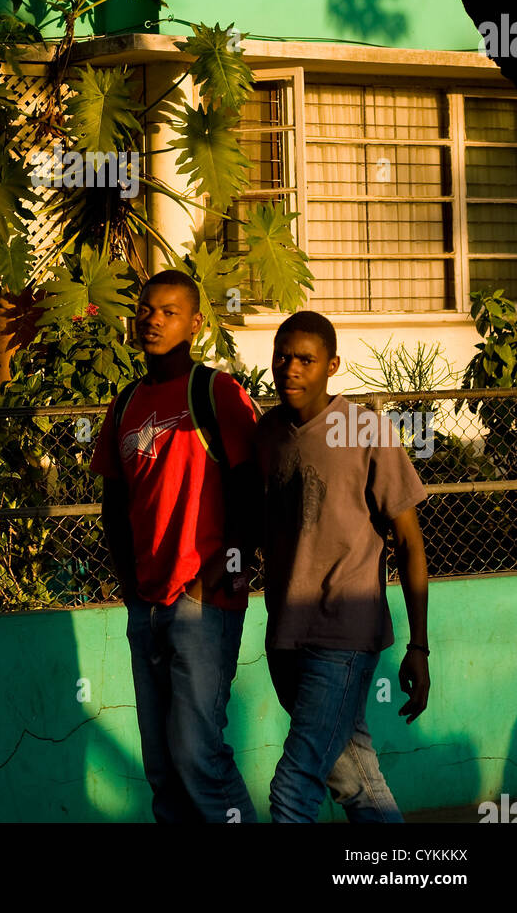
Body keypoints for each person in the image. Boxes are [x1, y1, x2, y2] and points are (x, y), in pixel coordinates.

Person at [89, 269, 261, 823]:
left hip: (204, 606)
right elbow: (114, 505)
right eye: (145, 309)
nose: (152, 319)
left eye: (167, 311)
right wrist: (133, 591)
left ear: (195, 322)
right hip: (148, 605)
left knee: (198, 757)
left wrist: (212, 581)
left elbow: (250, 495)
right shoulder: (124, 404)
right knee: (163, 772)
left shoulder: (217, 393)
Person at [255, 310, 430, 824]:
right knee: (355, 781)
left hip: (344, 639)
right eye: (282, 356)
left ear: (332, 365)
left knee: (293, 787)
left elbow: (411, 544)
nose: (290, 368)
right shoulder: (267, 434)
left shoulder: (365, 430)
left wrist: (418, 646)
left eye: (305, 360)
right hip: (285, 635)